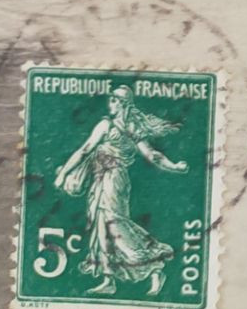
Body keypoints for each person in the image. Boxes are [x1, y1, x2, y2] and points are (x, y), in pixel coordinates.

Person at [53, 85, 186, 297]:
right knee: (103, 227)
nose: (110, 103)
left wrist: (174, 166)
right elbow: (86, 150)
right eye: (111, 99)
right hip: (101, 179)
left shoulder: (116, 126)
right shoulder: (117, 125)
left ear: (123, 103)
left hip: (114, 180)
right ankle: (109, 279)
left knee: (116, 226)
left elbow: (152, 155)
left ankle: (154, 268)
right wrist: (65, 173)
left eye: (114, 100)